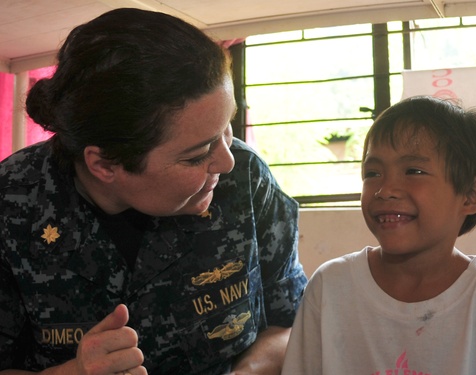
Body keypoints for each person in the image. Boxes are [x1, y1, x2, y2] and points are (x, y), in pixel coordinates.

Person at [0, 8, 307, 375]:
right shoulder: (12, 205)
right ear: (105, 165)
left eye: (226, 129)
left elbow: (292, 322)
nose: (226, 162)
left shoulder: (247, 178)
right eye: (197, 155)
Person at [281, 96, 476, 374]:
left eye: (413, 171)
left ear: (470, 195)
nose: (385, 189)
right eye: (372, 173)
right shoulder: (330, 288)